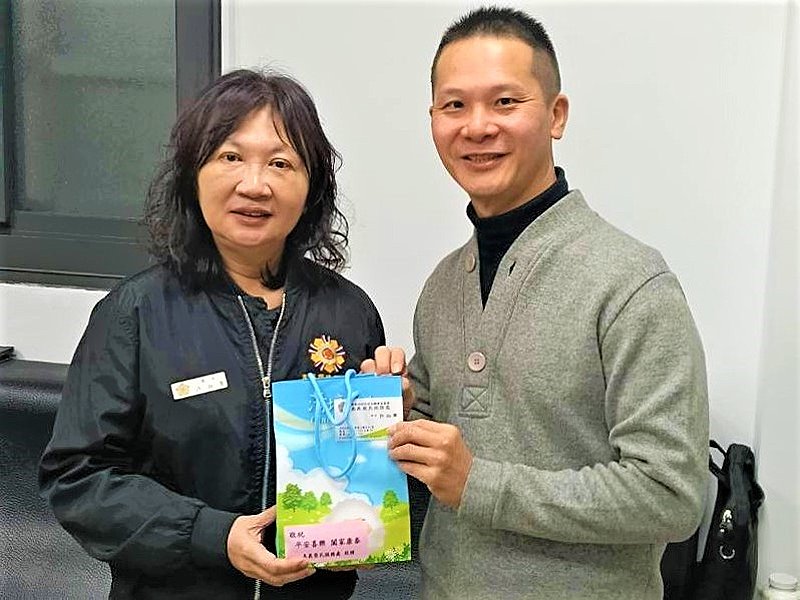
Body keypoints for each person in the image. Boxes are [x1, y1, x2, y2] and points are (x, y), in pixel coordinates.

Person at [382, 7, 710, 599]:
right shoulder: (442, 285)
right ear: (432, 120)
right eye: (454, 105)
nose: (477, 126)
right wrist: (395, 412)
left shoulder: (632, 282)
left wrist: (479, 483)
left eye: (505, 102)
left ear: (556, 115)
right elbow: (443, 437)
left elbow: (671, 495)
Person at [39, 69, 389, 599]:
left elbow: (363, 483)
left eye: (281, 163)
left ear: (312, 186)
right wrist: (212, 535)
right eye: (231, 157)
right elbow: (78, 477)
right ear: (193, 174)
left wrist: (389, 425)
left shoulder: (348, 311)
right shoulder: (134, 313)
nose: (255, 184)